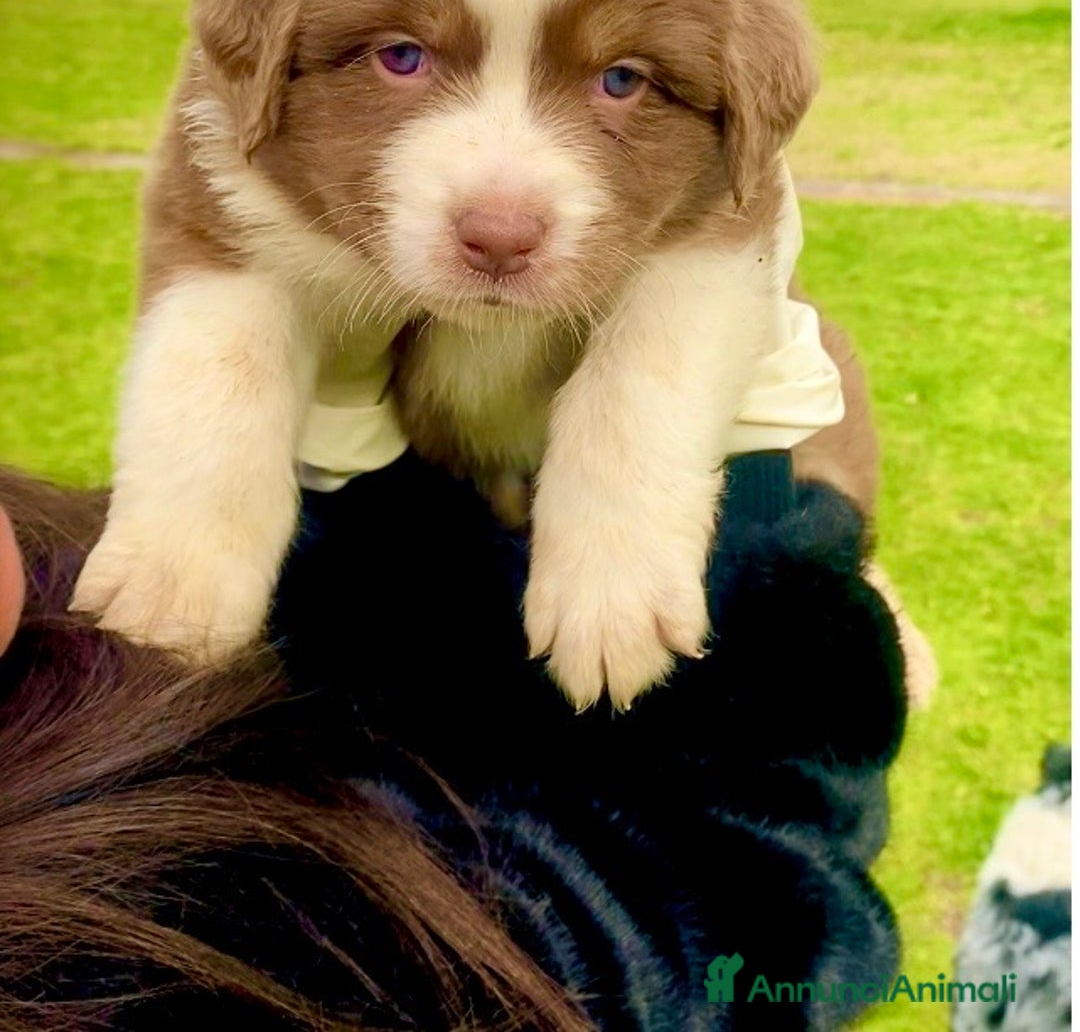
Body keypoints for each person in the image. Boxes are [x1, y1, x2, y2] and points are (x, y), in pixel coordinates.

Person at [0, 420, 906, 1030]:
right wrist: (776, 528)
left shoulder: (51, 588)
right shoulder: (155, 971)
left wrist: (345, 450)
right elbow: (741, 908)